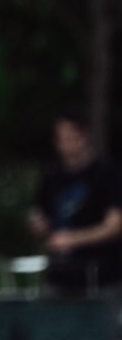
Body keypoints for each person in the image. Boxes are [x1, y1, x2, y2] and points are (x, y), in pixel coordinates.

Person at [28, 107, 122, 294]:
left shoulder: (107, 173)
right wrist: (38, 223)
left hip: (102, 276)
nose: (65, 144)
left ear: (84, 136)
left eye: (70, 137)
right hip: (60, 275)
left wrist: (73, 239)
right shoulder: (52, 174)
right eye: (60, 138)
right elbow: (38, 212)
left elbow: (114, 226)